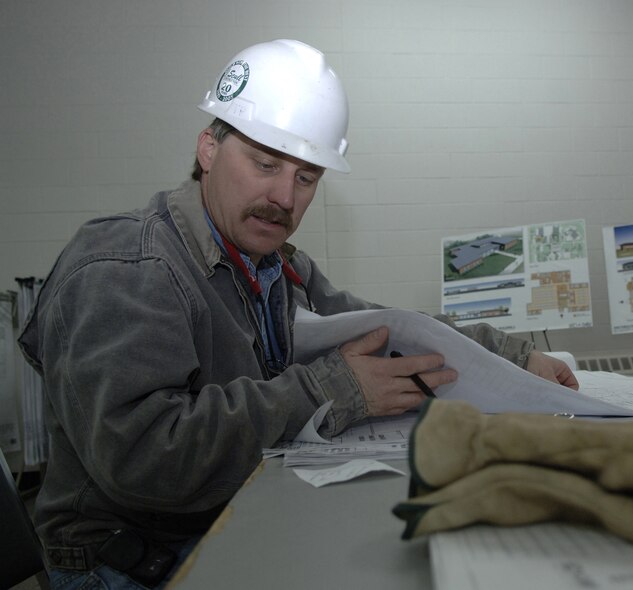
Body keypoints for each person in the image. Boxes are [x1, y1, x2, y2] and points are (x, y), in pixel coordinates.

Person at [17, 39, 576, 589]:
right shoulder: (125, 267)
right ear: (208, 149)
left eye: (306, 177)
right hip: (124, 562)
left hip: (224, 514)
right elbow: (144, 456)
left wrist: (513, 354)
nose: (284, 197)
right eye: (265, 163)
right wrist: (327, 390)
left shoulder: (277, 268)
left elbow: (391, 328)